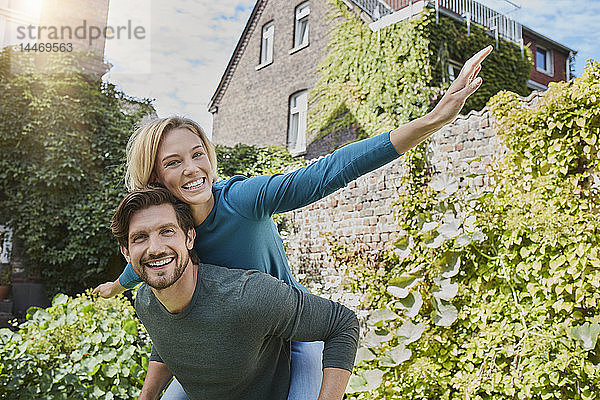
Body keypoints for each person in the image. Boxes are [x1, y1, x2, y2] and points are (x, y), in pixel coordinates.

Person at [94, 45, 493, 399]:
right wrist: (115, 285)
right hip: (238, 344)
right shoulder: (170, 233)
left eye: (198, 154)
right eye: (174, 162)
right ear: (155, 177)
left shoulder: (242, 199)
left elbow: (327, 172)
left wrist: (432, 121)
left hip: (292, 333)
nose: (194, 168)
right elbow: (142, 264)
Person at [111, 186, 359, 400]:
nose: (155, 248)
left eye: (167, 231)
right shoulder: (145, 301)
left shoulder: (246, 296)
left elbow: (342, 323)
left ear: (189, 237)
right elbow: (167, 339)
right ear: (126, 252)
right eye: (140, 238)